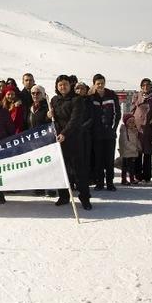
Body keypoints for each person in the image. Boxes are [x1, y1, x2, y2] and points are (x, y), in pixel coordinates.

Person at [50, 75, 91, 210]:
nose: (63, 87)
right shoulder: (54, 100)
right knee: (62, 170)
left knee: (78, 170)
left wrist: (64, 133)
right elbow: (54, 120)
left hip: (74, 139)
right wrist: (49, 115)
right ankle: (63, 196)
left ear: (70, 86)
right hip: (59, 141)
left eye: (65, 84)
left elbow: (75, 120)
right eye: (60, 84)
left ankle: (84, 197)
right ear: (57, 86)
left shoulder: (77, 99)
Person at [89, 74, 121, 191]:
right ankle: (99, 182)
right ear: (94, 84)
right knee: (98, 159)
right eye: (98, 83)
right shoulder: (92, 97)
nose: (100, 85)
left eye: (102, 83)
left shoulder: (111, 95)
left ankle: (110, 182)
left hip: (109, 133)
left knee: (109, 159)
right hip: (96, 134)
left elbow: (117, 113)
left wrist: (113, 128)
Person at [131, 78, 152, 183]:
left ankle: (147, 176)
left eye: (148, 85)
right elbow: (132, 109)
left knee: (147, 152)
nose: (145, 87)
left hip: (149, 127)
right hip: (137, 127)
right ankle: (137, 175)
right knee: (138, 152)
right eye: (143, 85)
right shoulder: (137, 96)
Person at [118, 114, 141, 185]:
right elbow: (124, 142)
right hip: (126, 151)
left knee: (132, 167)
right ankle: (124, 179)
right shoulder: (124, 131)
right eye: (130, 122)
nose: (132, 124)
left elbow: (137, 140)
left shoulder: (134, 130)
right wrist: (133, 148)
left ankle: (131, 178)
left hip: (132, 151)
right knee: (125, 167)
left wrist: (139, 147)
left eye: (133, 122)